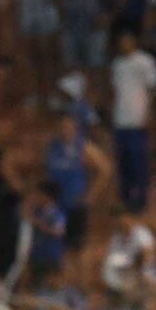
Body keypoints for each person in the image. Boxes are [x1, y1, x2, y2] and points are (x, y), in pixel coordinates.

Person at [44, 111, 113, 280]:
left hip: (75, 204)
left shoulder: (82, 147)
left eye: (68, 126)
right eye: (62, 126)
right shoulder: (52, 147)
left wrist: (91, 195)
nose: (65, 130)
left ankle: (82, 286)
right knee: (61, 247)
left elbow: (105, 169)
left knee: (79, 247)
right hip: (57, 206)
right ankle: (66, 285)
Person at [110, 31, 156, 213]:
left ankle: (141, 200)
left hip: (137, 120)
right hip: (120, 120)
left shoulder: (145, 62)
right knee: (123, 164)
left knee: (139, 162)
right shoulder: (117, 65)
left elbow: (152, 88)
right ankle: (125, 199)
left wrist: (149, 113)